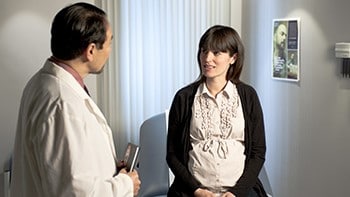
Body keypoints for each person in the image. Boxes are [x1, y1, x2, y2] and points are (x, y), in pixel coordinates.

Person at [10, 2, 141, 197]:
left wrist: (108, 165)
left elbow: (66, 166)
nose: (110, 51)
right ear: (90, 51)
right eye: (109, 43)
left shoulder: (41, 82)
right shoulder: (62, 104)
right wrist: (125, 184)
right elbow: (74, 192)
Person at [166, 25, 267, 197]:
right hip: (192, 191)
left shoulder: (248, 96)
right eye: (204, 51)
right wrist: (196, 190)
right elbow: (172, 154)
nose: (207, 58)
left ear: (233, 58)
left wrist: (237, 192)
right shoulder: (184, 97)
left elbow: (258, 152)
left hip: (239, 192)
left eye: (216, 53)